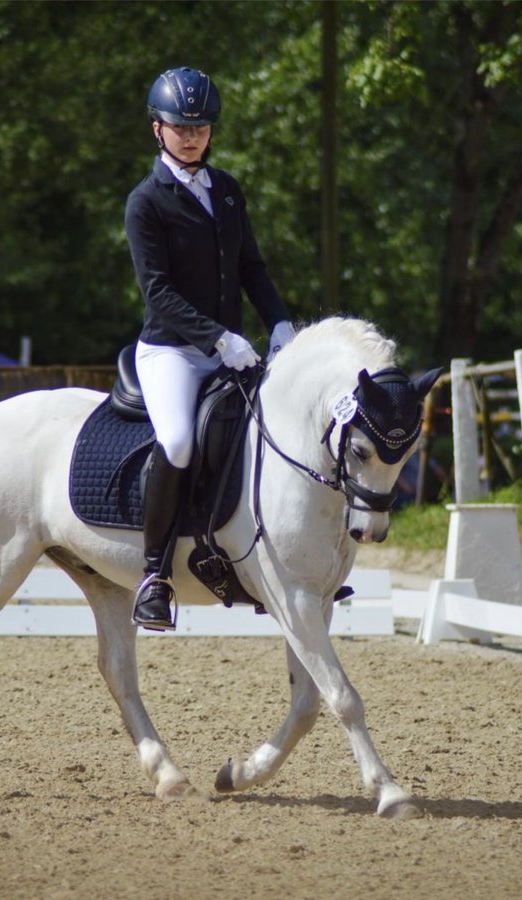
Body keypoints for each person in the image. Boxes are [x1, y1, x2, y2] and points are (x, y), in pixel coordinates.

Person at [124, 66, 295, 631]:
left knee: (273, 432)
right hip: (173, 351)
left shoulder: (226, 191)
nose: (192, 135)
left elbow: (251, 268)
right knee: (176, 442)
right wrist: (219, 338)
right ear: (158, 129)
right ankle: (154, 575)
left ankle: (266, 562)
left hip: (234, 349)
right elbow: (159, 293)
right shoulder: (146, 202)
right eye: (180, 126)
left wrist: (280, 323)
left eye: (201, 126)